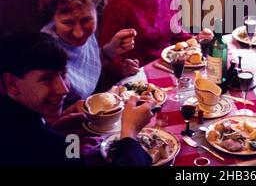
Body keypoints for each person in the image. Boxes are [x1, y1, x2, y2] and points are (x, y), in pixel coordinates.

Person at [0, 31, 155, 166]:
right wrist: (130, 132)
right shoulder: (42, 144)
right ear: (12, 83)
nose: (64, 89)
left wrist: (59, 132)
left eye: (63, 74)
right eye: (47, 79)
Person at [39, 0, 137, 107]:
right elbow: (43, 117)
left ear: (97, 11)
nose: (78, 33)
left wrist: (110, 50)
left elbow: (86, 67)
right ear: (52, 17)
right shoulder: (46, 50)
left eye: (86, 20)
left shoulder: (86, 35)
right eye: (68, 22)